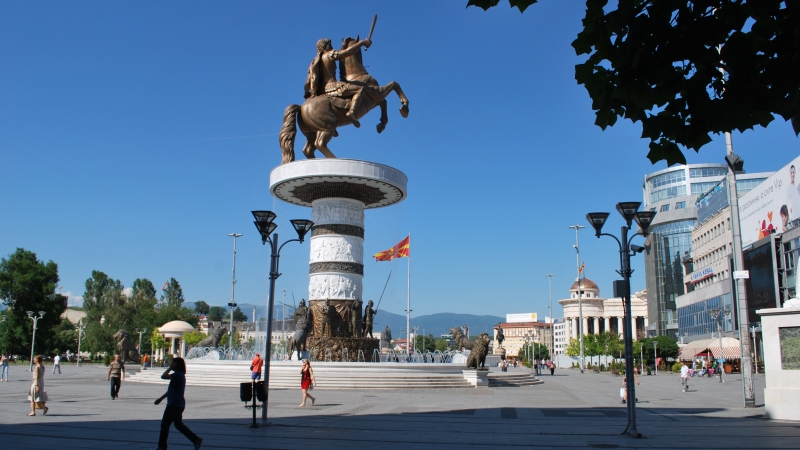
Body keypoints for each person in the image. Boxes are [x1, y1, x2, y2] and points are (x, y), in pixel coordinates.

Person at [304, 37, 373, 127]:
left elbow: (309, 80)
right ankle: (352, 112)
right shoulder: (329, 54)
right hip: (332, 86)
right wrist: (362, 43)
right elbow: (347, 53)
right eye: (329, 44)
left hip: (321, 91)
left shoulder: (315, 61)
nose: (332, 46)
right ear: (324, 47)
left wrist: (307, 93)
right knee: (360, 89)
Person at [153, 357, 202, 450]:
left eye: (173, 363)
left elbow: (163, 376)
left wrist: (170, 368)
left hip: (174, 404)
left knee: (165, 425)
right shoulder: (179, 375)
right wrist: (161, 398)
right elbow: (171, 390)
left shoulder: (178, 375)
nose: (171, 364)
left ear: (176, 365)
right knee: (178, 425)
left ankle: (161, 447)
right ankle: (196, 439)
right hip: (178, 404)